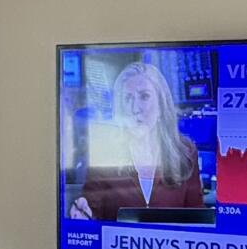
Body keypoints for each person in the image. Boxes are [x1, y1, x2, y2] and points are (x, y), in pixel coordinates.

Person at [67, 55, 207, 219]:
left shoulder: (185, 151)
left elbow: (197, 217)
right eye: (127, 98)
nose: (135, 108)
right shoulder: (105, 153)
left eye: (144, 96)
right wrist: (84, 215)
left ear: (162, 105)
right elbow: (92, 210)